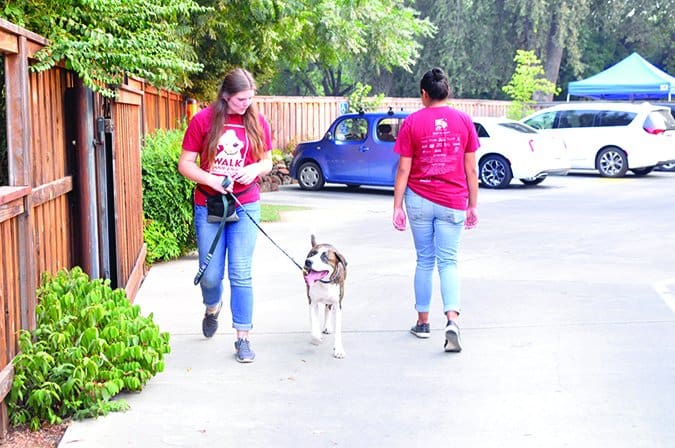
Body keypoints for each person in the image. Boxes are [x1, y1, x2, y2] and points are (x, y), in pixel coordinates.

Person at [178, 68, 273, 363]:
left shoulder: (258, 122)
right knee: (211, 275)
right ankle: (212, 305)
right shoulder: (203, 120)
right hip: (210, 204)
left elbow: (267, 161)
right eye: (240, 99)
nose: (246, 104)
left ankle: (243, 337)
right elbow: (185, 164)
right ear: (226, 96)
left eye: (250, 98)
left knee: (241, 272)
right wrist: (211, 179)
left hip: (245, 203)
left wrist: (254, 169)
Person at [392, 67, 479, 353]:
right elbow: (470, 168)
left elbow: (404, 169)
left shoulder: (412, 123)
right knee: (449, 262)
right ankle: (452, 320)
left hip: (418, 199)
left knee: (425, 261)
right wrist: (473, 205)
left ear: (424, 94)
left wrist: (397, 206)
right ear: (447, 92)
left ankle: (423, 323)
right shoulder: (464, 121)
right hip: (453, 201)